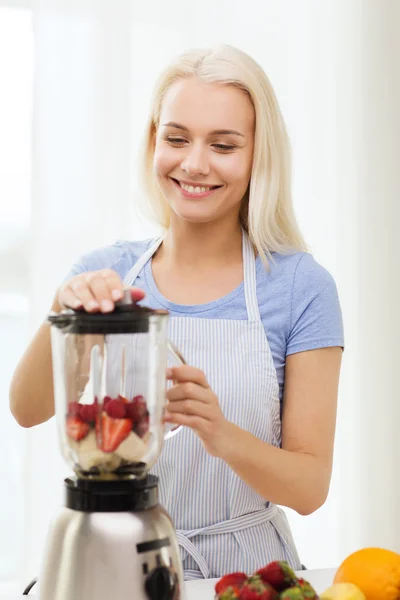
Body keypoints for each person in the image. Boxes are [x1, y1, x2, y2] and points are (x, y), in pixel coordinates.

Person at [9, 44, 344, 580]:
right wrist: (64, 307)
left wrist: (217, 430)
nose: (194, 163)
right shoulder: (109, 275)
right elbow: (26, 410)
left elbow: (309, 489)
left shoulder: (301, 287)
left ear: (259, 154)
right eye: (177, 138)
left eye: (223, 145)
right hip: (118, 565)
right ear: (153, 143)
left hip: (249, 575)